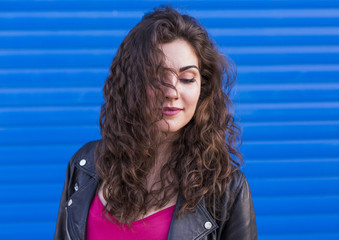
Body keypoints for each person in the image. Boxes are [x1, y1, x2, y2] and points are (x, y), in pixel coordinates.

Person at [54, 5, 256, 240]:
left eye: (187, 78)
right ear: (131, 84)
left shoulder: (228, 191)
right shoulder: (84, 166)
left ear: (203, 89)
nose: (171, 91)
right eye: (157, 77)